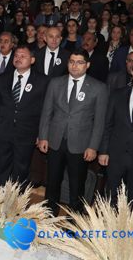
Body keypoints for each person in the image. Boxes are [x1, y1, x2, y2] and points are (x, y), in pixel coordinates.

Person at [38, 49, 108, 215]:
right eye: (71, 62)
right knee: (52, 182)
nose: (75, 66)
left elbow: (99, 122)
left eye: (80, 62)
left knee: (77, 185)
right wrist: (43, 137)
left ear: (87, 65)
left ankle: (74, 219)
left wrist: (93, 147)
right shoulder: (55, 83)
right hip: (55, 140)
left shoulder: (99, 88)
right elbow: (46, 112)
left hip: (81, 144)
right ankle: (48, 214)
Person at [0, 45, 49, 186]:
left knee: (21, 169)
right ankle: (0, 200)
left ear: (32, 60)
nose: (18, 58)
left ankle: (16, 203)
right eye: (16, 56)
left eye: (23, 56)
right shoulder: (3, 78)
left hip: (27, 133)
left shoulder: (42, 81)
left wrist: (41, 134)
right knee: (2, 166)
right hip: (5, 130)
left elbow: (45, 110)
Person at [99, 56, 133, 206]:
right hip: (115, 157)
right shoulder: (117, 94)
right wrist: (103, 151)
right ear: (132, 71)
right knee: (110, 198)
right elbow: (107, 124)